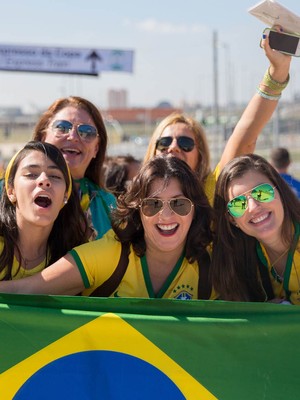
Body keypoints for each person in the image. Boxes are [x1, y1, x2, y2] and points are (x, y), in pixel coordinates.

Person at [0, 155, 215, 299]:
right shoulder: (109, 254)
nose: (166, 215)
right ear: (137, 211)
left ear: (195, 209)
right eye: (153, 204)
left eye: (179, 204)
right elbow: (26, 289)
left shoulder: (213, 264)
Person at [143, 32, 291, 203]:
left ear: (201, 156)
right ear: (152, 151)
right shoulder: (134, 202)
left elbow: (245, 137)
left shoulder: (213, 191)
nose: (174, 147)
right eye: (164, 142)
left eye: (185, 143)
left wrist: (278, 72)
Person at [211, 153, 300, 305]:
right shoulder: (237, 262)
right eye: (238, 204)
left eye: (262, 193)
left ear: (279, 191)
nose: (253, 208)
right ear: (231, 219)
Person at [0, 141, 88, 280]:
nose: (44, 180)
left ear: (65, 196)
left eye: (55, 176)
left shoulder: (80, 255)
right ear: (11, 191)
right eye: (31, 174)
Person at [33, 96, 116, 240]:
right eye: (62, 127)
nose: (73, 137)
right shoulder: (8, 190)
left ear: (96, 148)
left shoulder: (109, 206)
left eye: (87, 132)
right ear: (42, 137)